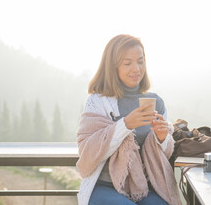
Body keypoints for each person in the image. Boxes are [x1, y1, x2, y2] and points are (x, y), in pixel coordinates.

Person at [76, 34, 182, 205]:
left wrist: (162, 138)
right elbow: (88, 152)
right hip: (105, 186)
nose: (136, 69)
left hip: (146, 188)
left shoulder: (156, 102)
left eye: (140, 61)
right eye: (127, 63)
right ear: (112, 66)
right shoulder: (98, 101)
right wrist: (125, 125)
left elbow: (164, 154)